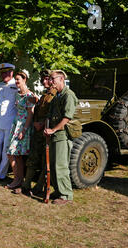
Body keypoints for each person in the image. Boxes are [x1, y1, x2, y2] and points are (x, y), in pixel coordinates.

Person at [15, 69, 56, 196]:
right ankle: (26, 185)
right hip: (38, 132)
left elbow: (55, 114)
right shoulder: (45, 95)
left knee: (45, 162)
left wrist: (42, 124)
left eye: (47, 79)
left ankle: (39, 188)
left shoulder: (56, 95)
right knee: (32, 159)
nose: (44, 81)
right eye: (43, 79)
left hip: (47, 132)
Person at [43, 70, 77, 205]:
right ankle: (58, 191)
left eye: (53, 79)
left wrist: (53, 130)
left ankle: (66, 195)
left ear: (61, 79)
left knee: (61, 166)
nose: (51, 82)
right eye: (50, 79)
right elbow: (50, 115)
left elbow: (67, 117)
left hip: (62, 135)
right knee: (53, 165)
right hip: (53, 135)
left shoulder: (68, 95)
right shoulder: (57, 96)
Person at [5, 70, 38, 189]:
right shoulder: (18, 94)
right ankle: (18, 179)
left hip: (24, 125)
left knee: (14, 153)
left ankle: (18, 179)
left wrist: (23, 130)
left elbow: (30, 114)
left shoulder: (30, 96)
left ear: (25, 80)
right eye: (16, 79)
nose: (16, 82)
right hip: (16, 124)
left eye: (18, 79)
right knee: (14, 154)